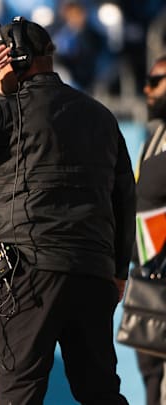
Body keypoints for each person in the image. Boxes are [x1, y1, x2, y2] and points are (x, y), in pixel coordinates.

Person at [0, 17, 135, 404]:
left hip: (30, 274)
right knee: (101, 391)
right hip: (93, 272)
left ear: (16, 61)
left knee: (19, 392)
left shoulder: (7, 112)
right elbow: (124, 196)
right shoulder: (100, 116)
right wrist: (119, 270)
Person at [134, 55, 166, 405]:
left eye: (156, 80)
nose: (147, 88)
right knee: (152, 382)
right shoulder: (154, 136)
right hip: (148, 280)